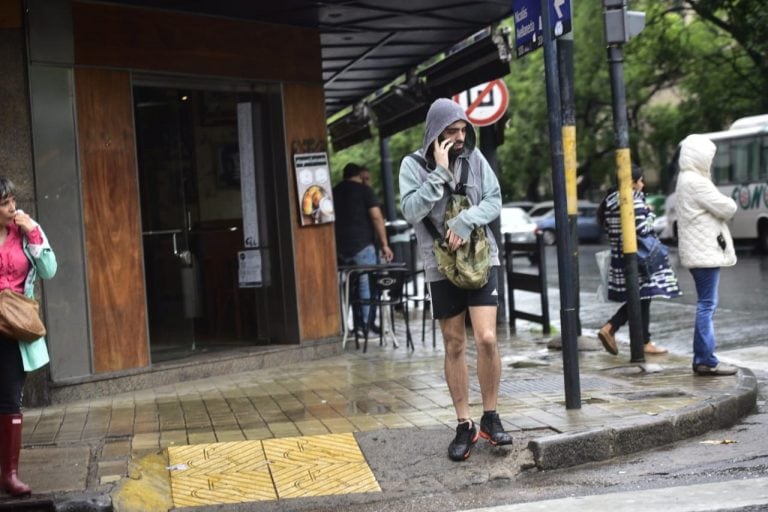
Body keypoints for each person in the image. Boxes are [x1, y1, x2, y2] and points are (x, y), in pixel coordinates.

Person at [399, 98, 512, 462]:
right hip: (440, 265)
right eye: (452, 132)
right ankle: (464, 424)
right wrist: (441, 173)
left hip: (481, 260)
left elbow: (494, 200)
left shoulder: (476, 160)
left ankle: (490, 416)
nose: (460, 137)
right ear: (435, 133)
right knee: (453, 344)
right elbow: (411, 210)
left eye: (463, 130)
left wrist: (466, 221)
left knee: (487, 338)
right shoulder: (412, 166)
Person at [0, 177, 57, 497]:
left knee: (9, 398)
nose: (12, 207)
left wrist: (33, 234)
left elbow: (49, 270)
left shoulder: (26, 230)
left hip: (13, 328)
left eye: (12, 200)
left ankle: (9, 474)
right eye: (4, 203)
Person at [597, 164, 680, 356]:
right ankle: (612, 327)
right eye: (640, 180)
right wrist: (649, 212)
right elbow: (643, 228)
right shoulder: (631, 199)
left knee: (642, 297)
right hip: (638, 256)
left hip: (621, 255)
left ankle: (642, 340)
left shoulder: (610, 199)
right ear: (632, 183)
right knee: (642, 296)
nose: (643, 184)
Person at [675, 134, 738, 376]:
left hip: (698, 251)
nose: (710, 162)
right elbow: (727, 207)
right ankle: (706, 360)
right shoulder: (696, 182)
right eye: (709, 157)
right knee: (707, 305)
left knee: (705, 303)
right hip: (704, 253)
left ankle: (702, 358)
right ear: (699, 156)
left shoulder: (685, 179)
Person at [333, 163, 394, 335]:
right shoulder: (364, 191)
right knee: (366, 284)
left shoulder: (334, 192)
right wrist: (384, 244)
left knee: (349, 287)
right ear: (359, 176)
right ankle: (366, 326)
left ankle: (352, 326)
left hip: (340, 248)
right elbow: (376, 216)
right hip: (363, 245)